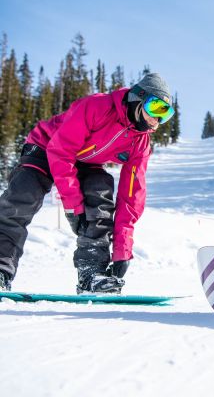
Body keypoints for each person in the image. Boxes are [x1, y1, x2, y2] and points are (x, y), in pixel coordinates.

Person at [0, 73, 175, 293]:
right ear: (137, 98)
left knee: (99, 195)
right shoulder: (97, 106)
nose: (157, 119)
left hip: (86, 161)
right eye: (156, 108)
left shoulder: (140, 142)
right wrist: (74, 206)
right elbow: (60, 151)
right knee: (22, 198)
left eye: (165, 114)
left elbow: (131, 197)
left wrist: (123, 250)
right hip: (46, 146)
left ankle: (92, 274)